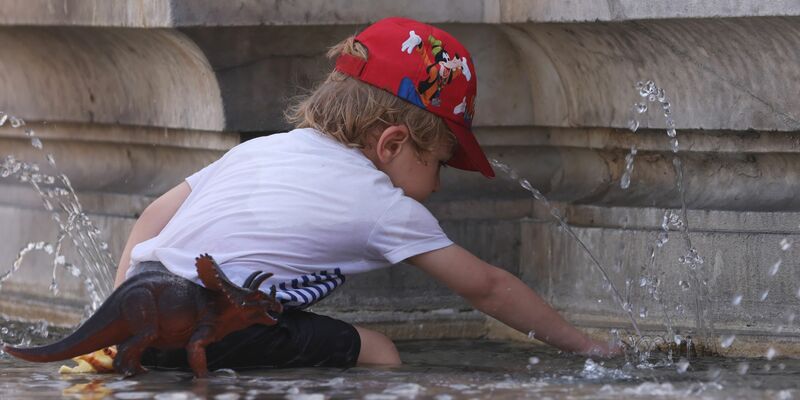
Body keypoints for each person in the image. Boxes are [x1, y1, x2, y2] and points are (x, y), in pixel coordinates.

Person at [112, 17, 620, 370]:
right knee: (378, 351)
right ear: (393, 143)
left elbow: (150, 222)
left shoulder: (261, 150)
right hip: (214, 325)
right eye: (441, 162)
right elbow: (485, 286)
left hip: (142, 310)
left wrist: (114, 319)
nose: (440, 184)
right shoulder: (382, 205)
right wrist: (586, 345)